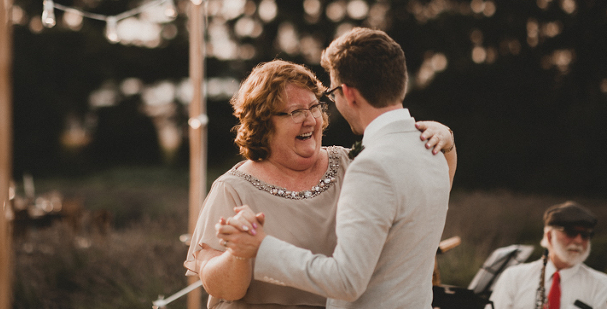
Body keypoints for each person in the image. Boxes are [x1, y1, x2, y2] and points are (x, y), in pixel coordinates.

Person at [185, 57, 457, 309]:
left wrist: (446, 142)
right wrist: (239, 253)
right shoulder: (233, 189)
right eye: (294, 112)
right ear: (263, 123)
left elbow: (429, 194)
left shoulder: (352, 164)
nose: (310, 119)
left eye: (314, 106)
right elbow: (220, 287)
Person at [489, 201, 607, 309]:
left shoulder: (602, 284)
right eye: (571, 233)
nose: (579, 241)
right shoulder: (513, 277)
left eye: (585, 235)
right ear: (549, 236)